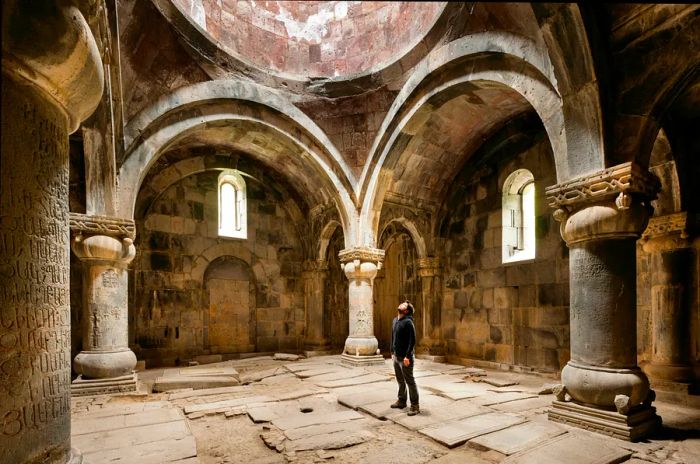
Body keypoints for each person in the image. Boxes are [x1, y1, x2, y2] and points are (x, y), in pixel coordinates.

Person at [390, 300, 419, 416]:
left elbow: (412, 341)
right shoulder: (395, 320)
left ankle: (415, 406)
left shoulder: (408, 322)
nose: (401, 304)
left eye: (404, 305)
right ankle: (402, 401)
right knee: (400, 380)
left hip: (405, 358)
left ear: (406, 310)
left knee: (409, 381)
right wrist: (392, 352)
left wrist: (407, 356)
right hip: (396, 356)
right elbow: (393, 337)